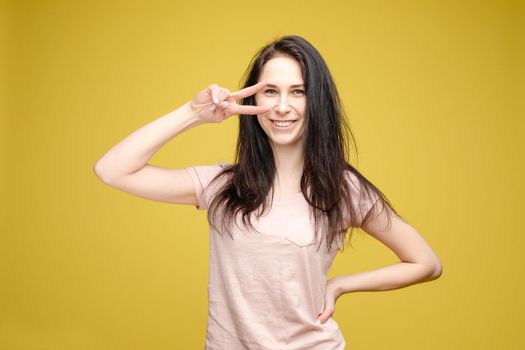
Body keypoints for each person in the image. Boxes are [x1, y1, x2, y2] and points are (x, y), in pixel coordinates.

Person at [93, 35, 442, 350]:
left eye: (298, 91)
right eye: (270, 91)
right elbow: (111, 170)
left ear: (316, 100)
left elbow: (425, 263)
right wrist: (193, 114)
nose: (281, 106)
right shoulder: (222, 185)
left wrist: (340, 285)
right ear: (253, 97)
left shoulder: (343, 188)